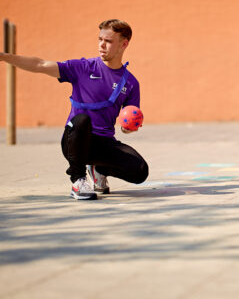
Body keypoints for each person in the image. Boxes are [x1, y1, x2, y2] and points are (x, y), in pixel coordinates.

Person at [0, 19, 148, 200]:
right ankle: (78, 180)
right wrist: (3, 56)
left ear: (124, 44)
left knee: (140, 171)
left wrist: (127, 128)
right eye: (100, 39)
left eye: (108, 41)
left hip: (104, 142)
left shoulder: (131, 83)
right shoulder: (83, 68)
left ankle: (99, 169)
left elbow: (128, 120)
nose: (101, 45)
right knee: (82, 120)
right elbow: (40, 64)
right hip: (75, 139)